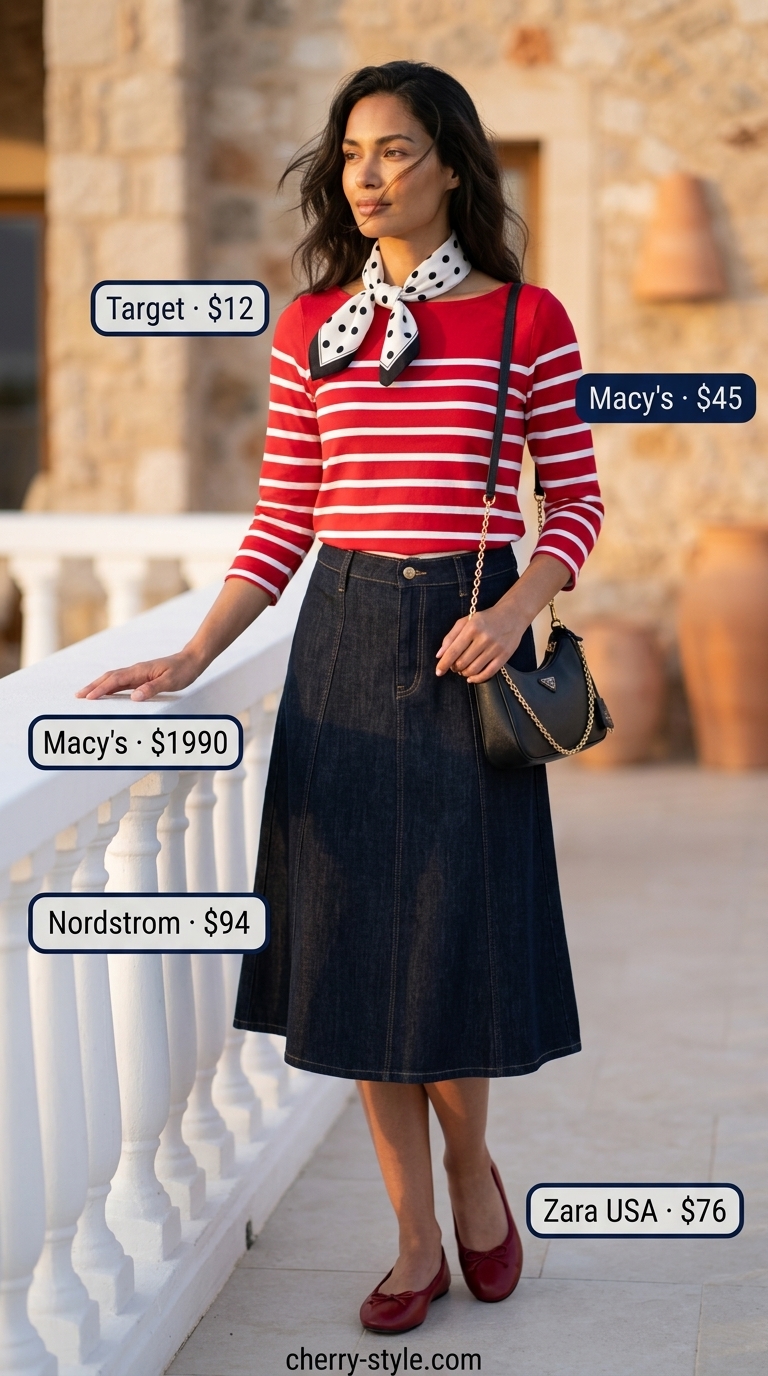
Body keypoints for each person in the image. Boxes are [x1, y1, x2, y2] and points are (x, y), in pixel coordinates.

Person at [79, 61, 603, 1334]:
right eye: (355, 153)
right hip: (344, 649)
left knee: (453, 947)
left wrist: (509, 610)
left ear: (454, 164)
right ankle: (415, 1235)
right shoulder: (311, 325)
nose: (370, 175)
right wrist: (194, 654)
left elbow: (575, 507)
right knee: (366, 952)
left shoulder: (529, 319)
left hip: (463, 642)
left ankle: (473, 1175)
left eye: (399, 151)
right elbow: (283, 523)